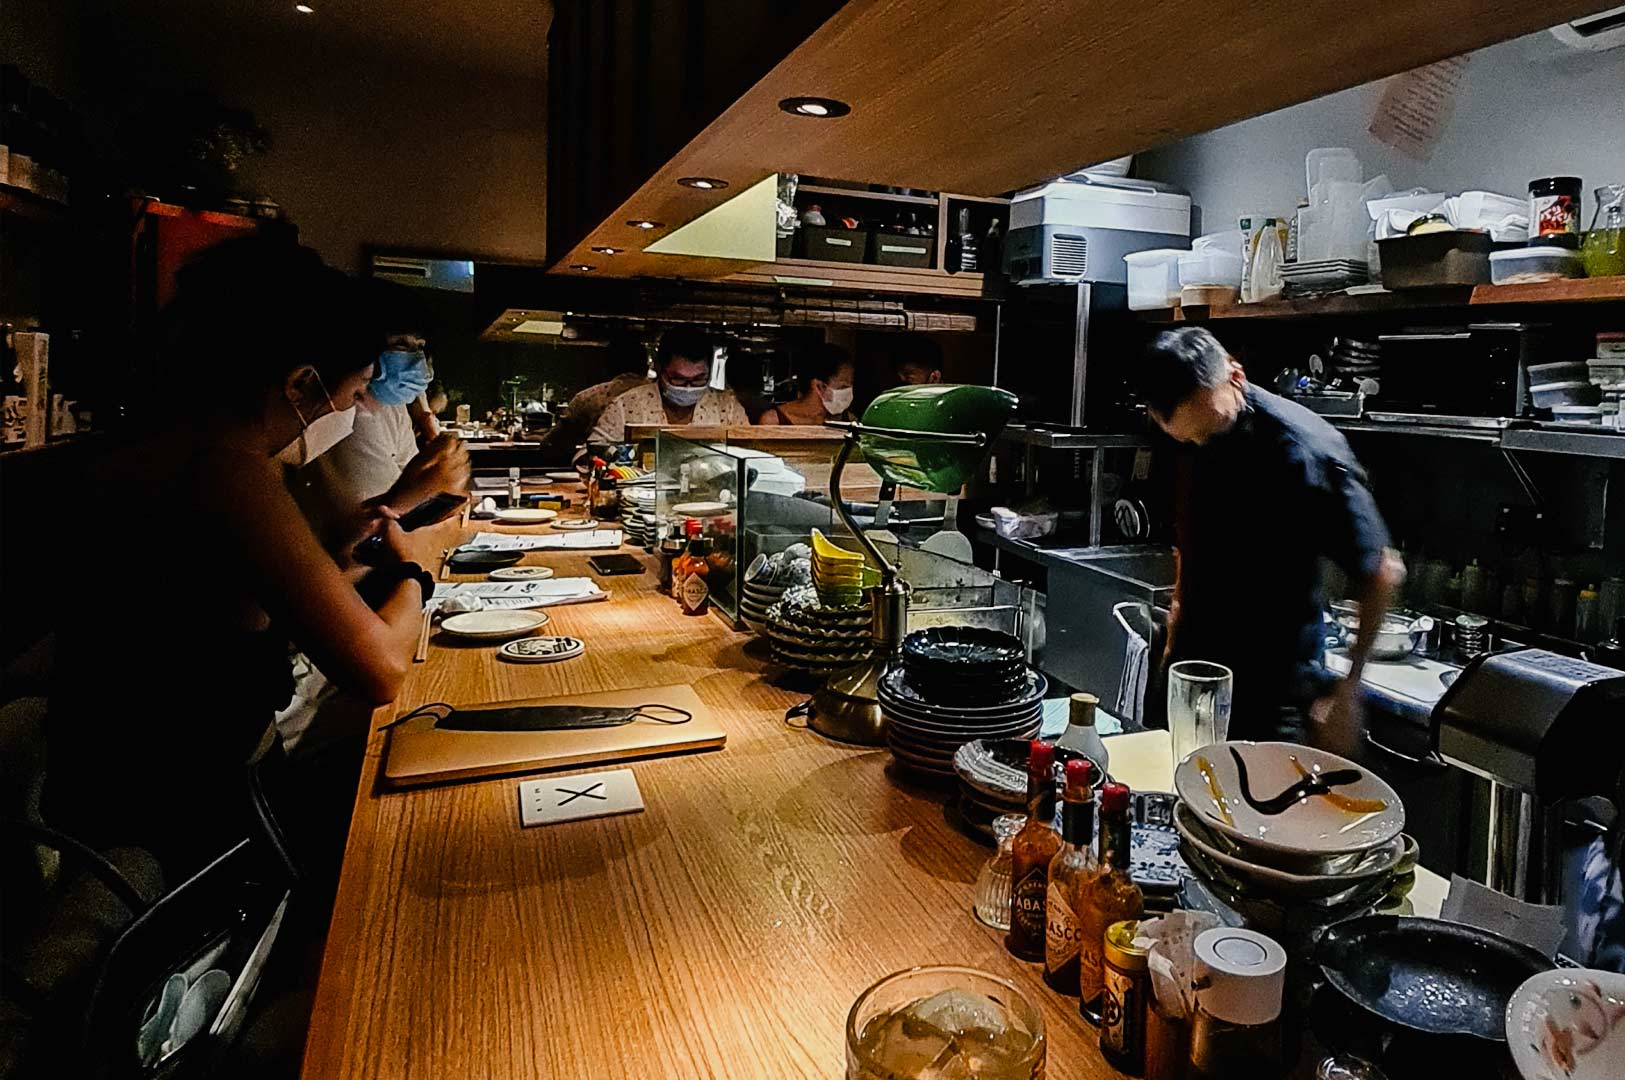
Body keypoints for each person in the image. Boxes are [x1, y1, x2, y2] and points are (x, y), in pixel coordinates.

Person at [46, 236, 433, 879]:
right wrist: (414, 573)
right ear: (300, 383)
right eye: (356, 388)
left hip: (114, 795)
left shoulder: (149, 449)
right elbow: (382, 670)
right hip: (186, 826)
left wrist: (341, 557)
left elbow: (226, 604)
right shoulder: (226, 471)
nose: (350, 408)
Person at [1136, 327, 1402, 751]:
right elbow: (1189, 533)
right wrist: (1177, 614)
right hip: (1191, 673)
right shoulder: (1188, 428)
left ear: (1235, 376)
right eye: (1187, 438)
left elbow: (1381, 572)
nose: (1199, 445)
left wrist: (1348, 691)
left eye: (1208, 432)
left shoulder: (1307, 452)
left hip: (1271, 693)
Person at [290, 280, 470, 553]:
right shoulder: (342, 418)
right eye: (400, 343)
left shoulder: (391, 406)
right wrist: (419, 493)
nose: (416, 359)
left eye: (419, 346)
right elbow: (360, 546)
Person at [588, 328, 749, 443]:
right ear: (659, 368)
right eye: (678, 379)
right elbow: (592, 454)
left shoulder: (728, 408)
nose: (688, 387)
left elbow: (752, 455)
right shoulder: (626, 406)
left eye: (699, 379)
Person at [540, 334, 650, 455]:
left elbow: (553, 444)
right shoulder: (663, 397)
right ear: (646, 367)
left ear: (607, 367)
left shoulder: (589, 398)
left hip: (600, 469)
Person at [758, 343, 855, 424]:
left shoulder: (849, 420)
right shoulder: (773, 421)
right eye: (843, 386)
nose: (848, 392)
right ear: (819, 386)